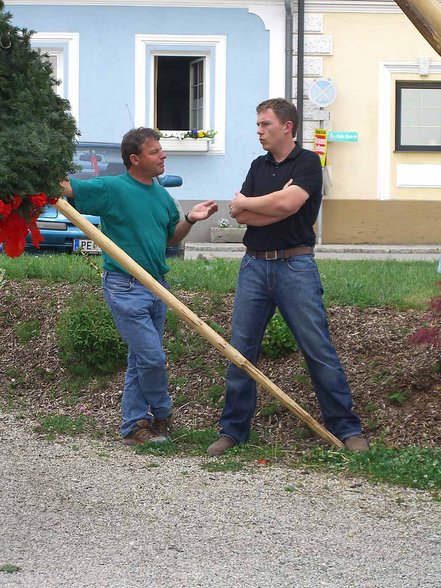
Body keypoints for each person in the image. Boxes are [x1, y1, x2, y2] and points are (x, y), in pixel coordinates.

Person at [207, 98, 368, 457]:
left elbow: (286, 206)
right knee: (240, 352)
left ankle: (347, 430)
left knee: (318, 350)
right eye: (258, 124)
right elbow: (241, 215)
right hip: (254, 266)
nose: (259, 131)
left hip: (296, 267)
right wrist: (266, 204)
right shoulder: (257, 165)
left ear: (287, 127)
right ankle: (233, 431)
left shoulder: (309, 163)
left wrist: (258, 203)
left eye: (265, 124)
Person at [62, 127, 218, 445]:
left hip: (157, 287)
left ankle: (133, 426)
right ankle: (162, 413)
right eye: (155, 151)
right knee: (152, 358)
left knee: (139, 358)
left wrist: (190, 218)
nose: (163, 154)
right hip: (125, 286)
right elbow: (66, 188)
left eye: (161, 149)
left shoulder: (161, 194)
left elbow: (170, 239)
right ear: (135, 159)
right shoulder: (112, 188)